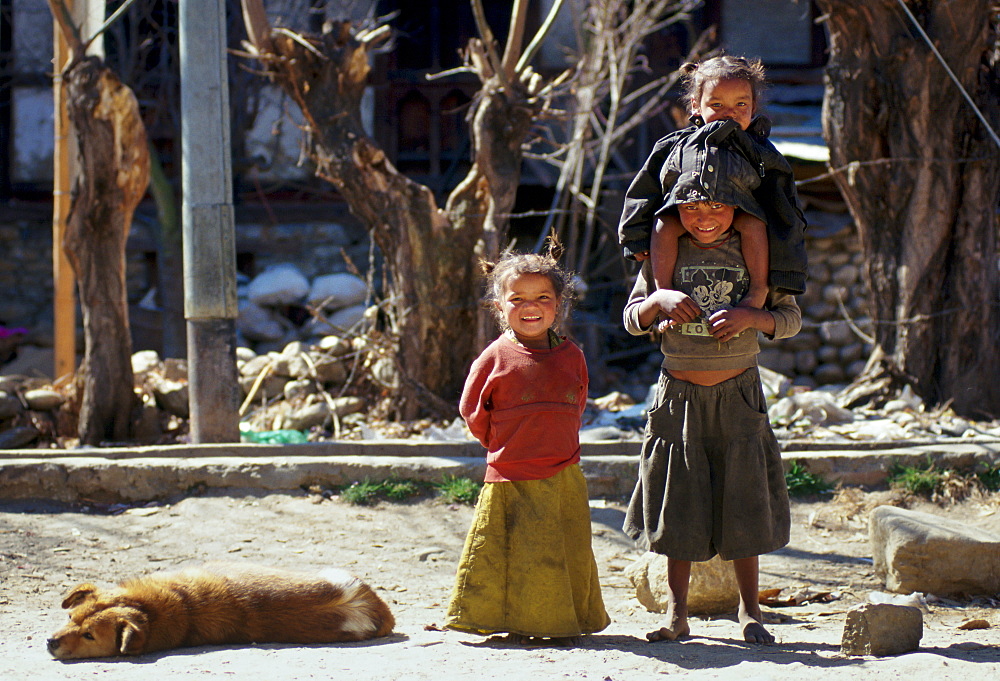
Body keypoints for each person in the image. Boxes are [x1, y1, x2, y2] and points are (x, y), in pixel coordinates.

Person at [621, 171, 802, 646]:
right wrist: (656, 300)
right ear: (674, 212)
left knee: (743, 499)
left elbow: (789, 319)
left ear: (740, 211)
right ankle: (676, 614)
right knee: (678, 503)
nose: (705, 218)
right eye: (692, 209)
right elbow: (631, 318)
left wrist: (751, 316)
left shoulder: (756, 254)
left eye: (718, 208)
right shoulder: (663, 258)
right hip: (677, 398)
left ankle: (749, 610)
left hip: (739, 395)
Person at [445, 242, 610, 646]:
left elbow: (577, 404)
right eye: (516, 298)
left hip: (564, 474)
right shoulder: (495, 357)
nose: (529, 306)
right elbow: (472, 410)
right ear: (499, 306)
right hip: (510, 476)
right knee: (508, 550)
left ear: (559, 305)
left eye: (542, 298)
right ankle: (503, 620)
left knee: (560, 549)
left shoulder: (573, 356)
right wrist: (504, 447)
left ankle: (560, 622)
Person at [619, 55, 808, 306]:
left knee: (753, 223)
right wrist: (635, 237)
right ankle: (663, 292)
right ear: (697, 106)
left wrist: (787, 255)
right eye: (717, 105)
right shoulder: (675, 146)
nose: (729, 114)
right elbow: (645, 189)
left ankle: (757, 291)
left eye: (741, 105)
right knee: (664, 222)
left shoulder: (759, 150)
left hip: (740, 217)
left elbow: (783, 199)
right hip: (686, 214)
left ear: (753, 107)